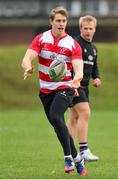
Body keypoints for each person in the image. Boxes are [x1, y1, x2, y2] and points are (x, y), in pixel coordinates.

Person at [21, 6, 87, 175]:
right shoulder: (42, 38)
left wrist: (77, 78)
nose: (61, 24)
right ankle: (78, 158)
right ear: (51, 22)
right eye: (58, 21)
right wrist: (28, 68)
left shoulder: (72, 43)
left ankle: (68, 158)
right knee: (57, 126)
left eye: (64, 21)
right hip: (45, 90)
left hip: (65, 87)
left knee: (56, 116)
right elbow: (27, 57)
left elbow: (79, 68)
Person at [67, 15, 101, 161]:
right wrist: (71, 83)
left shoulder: (93, 48)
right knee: (85, 113)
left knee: (74, 118)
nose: (88, 31)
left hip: (85, 87)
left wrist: (97, 77)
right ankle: (83, 150)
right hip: (75, 85)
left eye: (90, 28)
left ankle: (68, 151)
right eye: (85, 28)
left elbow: (94, 66)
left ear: (94, 29)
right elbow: (68, 64)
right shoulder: (75, 44)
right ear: (80, 28)